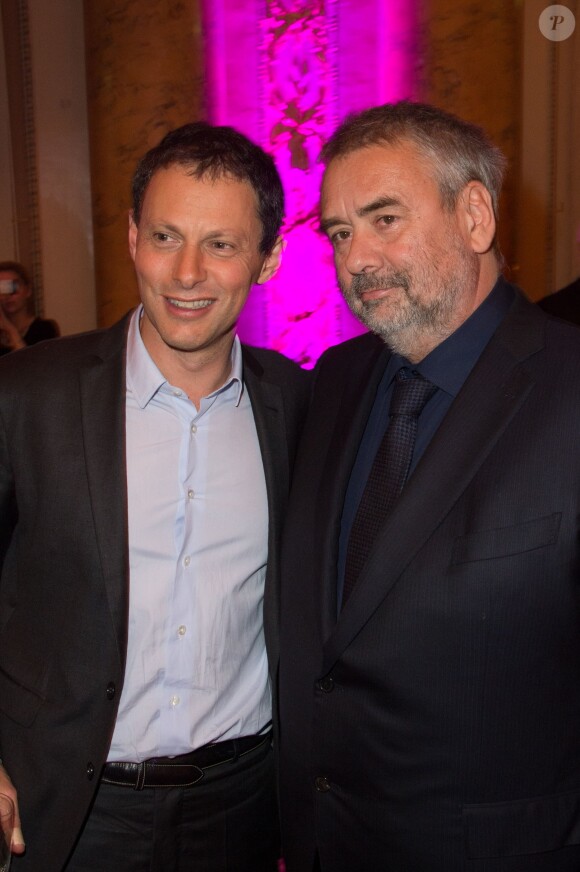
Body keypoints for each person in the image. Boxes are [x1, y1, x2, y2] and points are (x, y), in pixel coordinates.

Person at [278, 101, 580, 872]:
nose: (356, 260)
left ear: (474, 215)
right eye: (341, 232)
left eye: (384, 219)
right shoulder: (334, 382)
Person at [0, 122, 309, 871]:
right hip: (69, 808)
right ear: (134, 237)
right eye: (166, 236)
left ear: (268, 259)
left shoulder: (301, 410)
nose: (187, 273)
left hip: (242, 809)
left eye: (223, 245)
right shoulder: (26, 395)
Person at [0, 261, 59, 354]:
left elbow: (36, 366)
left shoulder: (44, 329)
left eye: (13, 286)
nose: (8, 295)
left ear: (28, 290)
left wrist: (10, 330)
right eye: (2, 288)